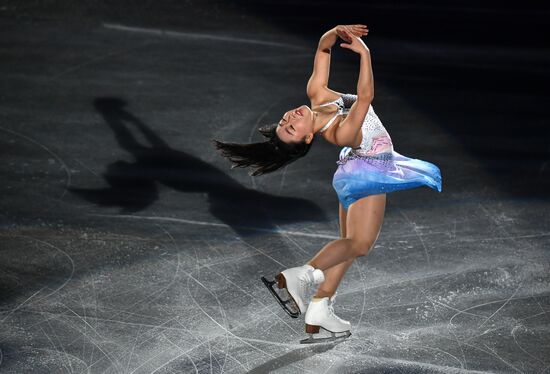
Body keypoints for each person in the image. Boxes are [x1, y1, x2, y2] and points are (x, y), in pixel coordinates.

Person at [212, 24, 442, 343]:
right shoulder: (341, 132)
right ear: (308, 137)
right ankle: (300, 276)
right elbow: (366, 97)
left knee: (346, 244)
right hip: (369, 172)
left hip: (354, 170)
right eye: (291, 128)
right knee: (359, 244)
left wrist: (336, 32)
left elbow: (322, 48)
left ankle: (320, 305)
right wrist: (366, 55)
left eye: (284, 121)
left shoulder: (317, 95)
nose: (290, 119)